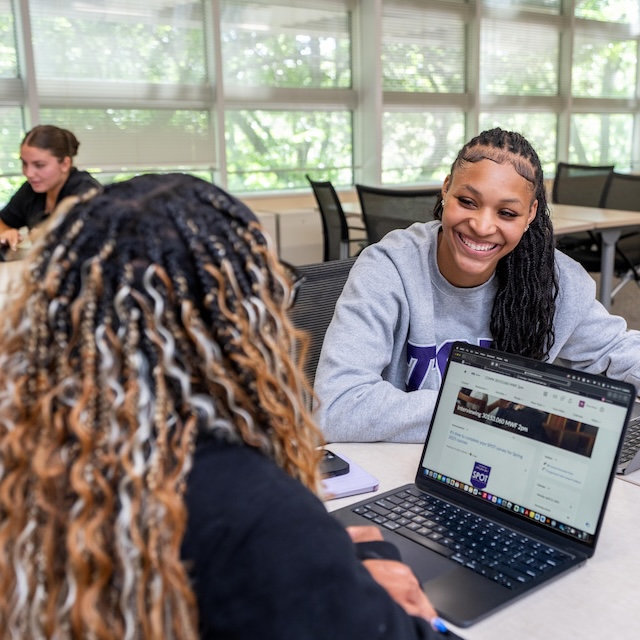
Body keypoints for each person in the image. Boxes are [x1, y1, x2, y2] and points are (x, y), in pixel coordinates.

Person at [0, 173, 452, 639]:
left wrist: (320, 565)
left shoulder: (37, 457)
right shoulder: (253, 510)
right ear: (241, 320)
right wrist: (366, 570)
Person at [314, 127, 640, 443]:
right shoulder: (389, 267)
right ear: (445, 190)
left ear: (530, 214)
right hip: (397, 475)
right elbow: (338, 404)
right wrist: (495, 410)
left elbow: (620, 353)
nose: (482, 226)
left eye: (507, 213)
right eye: (468, 202)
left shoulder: (554, 282)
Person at [0, 124, 101, 252]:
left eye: (39, 165)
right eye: (24, 163)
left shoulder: (86, 191)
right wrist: (7, 232)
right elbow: (3, 221)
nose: (28, 173)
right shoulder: (32, 189)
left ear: (65, 164)